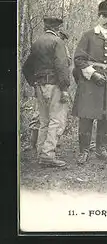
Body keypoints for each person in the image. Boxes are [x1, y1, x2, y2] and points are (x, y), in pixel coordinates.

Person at [72, 0, 107, 164]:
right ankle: (83, 151)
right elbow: (79, 59)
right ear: (98, 16)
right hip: (90, 83)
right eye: (104, 16)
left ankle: (101, 149)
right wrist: (93, 74)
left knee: (106, 117)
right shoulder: (88, 35)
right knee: (86, 116)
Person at [22, 17, 71, 167]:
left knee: (44, 121)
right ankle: (48, 155)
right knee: (56, 120)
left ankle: (40, 153)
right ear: (57, 28)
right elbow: (62, 66)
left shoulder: (36, 43)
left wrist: (33, 83)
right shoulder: (58, 42)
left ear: (45, 27)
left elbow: (26, 68)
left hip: (39, 85)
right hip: (54, 85)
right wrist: (65, 88)